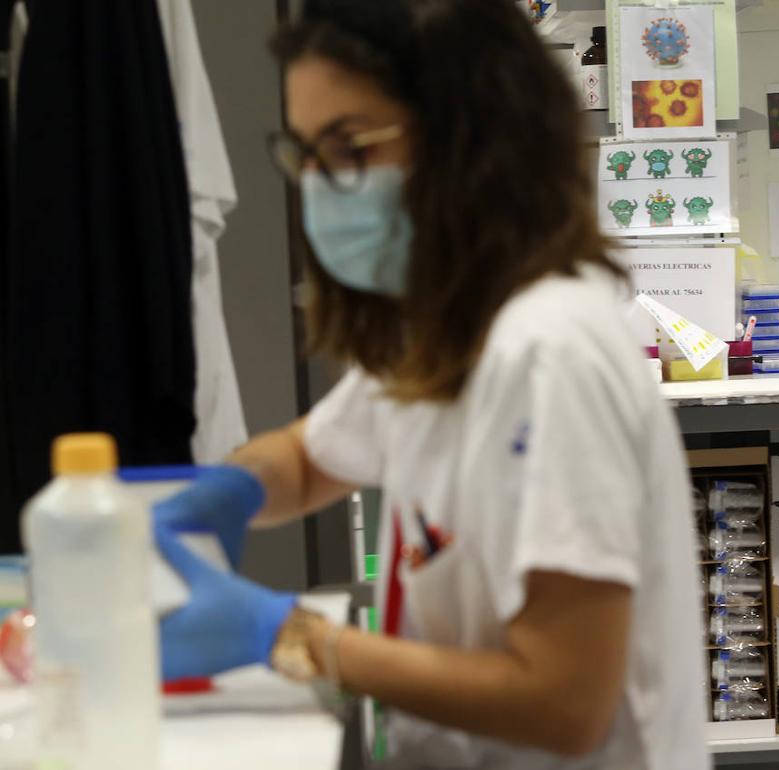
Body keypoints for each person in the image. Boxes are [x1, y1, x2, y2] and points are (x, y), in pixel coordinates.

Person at [152, 1, 710, 768]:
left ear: (472, 141)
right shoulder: (450, 328)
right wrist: (230, 490)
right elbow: (311, 458)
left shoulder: (551, 352)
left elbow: (564, 702)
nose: (317, 186)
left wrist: (291, 637)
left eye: (347, 148)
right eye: (305, 154)